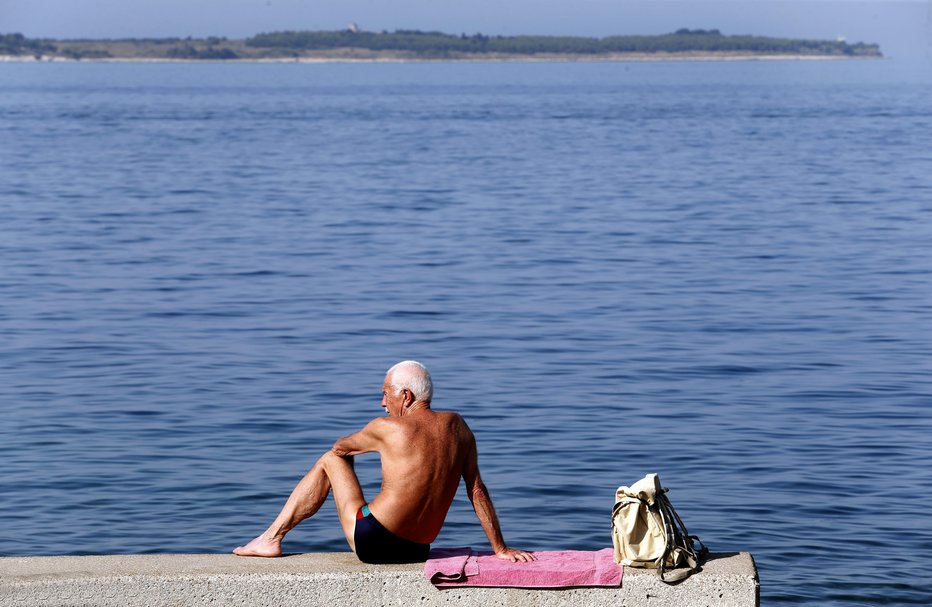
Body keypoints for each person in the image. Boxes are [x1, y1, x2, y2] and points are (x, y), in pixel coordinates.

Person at [233, 360, 534, 564]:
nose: (382, 403)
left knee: (329, 460)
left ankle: (271, 538)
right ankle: (269, 539)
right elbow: (477, 491)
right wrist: (500, 548)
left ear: (405, 396)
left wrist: (372, 444)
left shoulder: (385, 428)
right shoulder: (459, 427)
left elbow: (340, 447)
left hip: (374, 541)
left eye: (385, 394)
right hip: (418, 550)